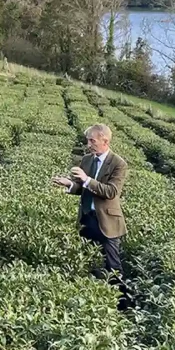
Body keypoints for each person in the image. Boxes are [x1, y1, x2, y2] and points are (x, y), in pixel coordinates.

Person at [51, 124, 131, 306]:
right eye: (88, 140)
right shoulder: (87, 160)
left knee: (113, 266)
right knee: (85, 260)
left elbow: (111, 192)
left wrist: (86, 180)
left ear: (105, 141)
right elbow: (83, 188)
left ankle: (122, 305)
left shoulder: (118, 164)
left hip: (107, 222)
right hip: (87, 218)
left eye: (92, 140)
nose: (88, 144)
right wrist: (70, 185)